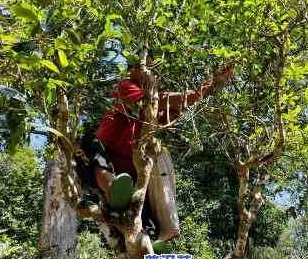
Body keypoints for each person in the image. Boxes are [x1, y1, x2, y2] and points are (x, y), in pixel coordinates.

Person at [86, 60, 235, 242]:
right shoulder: (125, 85)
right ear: (133, 70)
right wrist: (199, 90)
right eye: (145, 69)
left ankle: (163, 240)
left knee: (145, 234)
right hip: (108, 153)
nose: (150, 74)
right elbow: (158, 100)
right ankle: (113, 190)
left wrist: (212, 84)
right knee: (97, 159)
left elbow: (173, 109)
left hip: (133, 169)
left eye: (152, 70)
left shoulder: (152, 114)